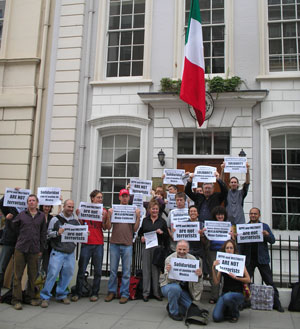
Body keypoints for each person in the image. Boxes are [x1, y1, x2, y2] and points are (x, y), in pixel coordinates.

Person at [239, 207, 284, 312]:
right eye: (251, 214)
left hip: (262, 258)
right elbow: (240, 244)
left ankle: (277, 303)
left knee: (269, 281)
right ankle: (245, 302)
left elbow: (272, 240)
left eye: (255, 214)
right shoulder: (245, 227)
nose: (253, 215)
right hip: (249, 259)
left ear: (259, 215)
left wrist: (267, 235)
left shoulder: (264, 226)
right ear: (249, 215)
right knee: (246, 282)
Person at [40, 199, 80, 308]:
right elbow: (48, 234)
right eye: (69, 207)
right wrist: (58, 233)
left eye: (72, 207)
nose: (71, 209)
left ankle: (61, 294)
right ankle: (45, 296)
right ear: (64, 206)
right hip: (57, 251)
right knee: (52, 274)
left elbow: (79, 234)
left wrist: (85, 233)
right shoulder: (55, 219)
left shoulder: (75, 221)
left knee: (67, 274)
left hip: (70, 252)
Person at [10, 194, 47, 310]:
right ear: (27, 203)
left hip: (34, 249)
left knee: (32, 275)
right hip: (21, 248)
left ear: (37, 202)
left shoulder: (41, 216)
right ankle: (16, 299)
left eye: (33, 200)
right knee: (17, 275)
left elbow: (43, 233)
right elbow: (14, 228)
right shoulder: (21, 215)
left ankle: (30, 297)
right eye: (29, 201)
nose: (31, 202)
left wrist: (41, 249)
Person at [105, 189, 140, 304]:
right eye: (123, 196)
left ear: (129, 198)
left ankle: (125, 293)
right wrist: (109, 216)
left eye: (126, 196)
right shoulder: (114, 210)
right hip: (115, 243)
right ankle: (111, 291)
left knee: (126, 271)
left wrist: (138, 217)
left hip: (127, 244)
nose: (125, 198)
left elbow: (135, 229)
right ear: (119, 198)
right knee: (113, 270)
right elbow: (108, 227)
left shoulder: (132, 210)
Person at [71, 190, 107, 302]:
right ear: (92, 198)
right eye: (98, 197)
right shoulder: (85, 209)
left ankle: (95, 293)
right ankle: (78, 292)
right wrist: (79, 216)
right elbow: (81, 225)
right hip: (86, 243)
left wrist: (106, 217)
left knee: (97, 270)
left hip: (98, 243)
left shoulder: (103, 210)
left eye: (101, 197)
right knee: (82, 269)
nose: (100, 199)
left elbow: (106, 227)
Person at [160, 240, 203, 321]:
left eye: (184, 249)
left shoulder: (193, 259)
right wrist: (169, 272)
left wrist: (200, 275)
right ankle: (174, 313)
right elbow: (168, 280)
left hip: (184, 290)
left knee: (191, 308)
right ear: (176, 249)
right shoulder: (169, 259)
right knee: (175, 289)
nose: (182, 252)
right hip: (169, 285)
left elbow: (197, 282)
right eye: (179, 249)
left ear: (188, 250)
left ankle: (172, 305)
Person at [212, 239, 250, 323]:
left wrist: (236, 278)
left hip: (238, 293)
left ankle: (235, 313)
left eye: (231, 248)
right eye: (227, 248)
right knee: (216, 317)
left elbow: (248, 279)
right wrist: (213, 267)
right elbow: (216, 282)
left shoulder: (239, 262)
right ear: (224, 250)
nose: (229, 250)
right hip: (225, 292)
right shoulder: (222, 262)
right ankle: (228, 311)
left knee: (227, 297)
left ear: (234, 249)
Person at [200, 206, 232, 304]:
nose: (220, 216)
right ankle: (214, 295)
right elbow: (204, 242)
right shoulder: (209, 225)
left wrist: (233, 235)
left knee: (226, 273)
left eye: (222, 214)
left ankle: (224, 294)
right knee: (214, 272)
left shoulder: (229, 226)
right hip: (212, 251)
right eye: (218, 214)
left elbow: (233, 242)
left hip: (225, 252)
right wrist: (202, 234)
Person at [139, 199, 169, 302]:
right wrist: (142, 237)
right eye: (153, 209)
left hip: (157, 248)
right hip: (147, 247)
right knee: (146, 270)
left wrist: (162, 233)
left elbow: (167, 237)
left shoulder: (162, 221)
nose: (155, 211)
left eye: (156, 209)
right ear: (149, 210)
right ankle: (146, 293)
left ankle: (156, 292)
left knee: (156, 271)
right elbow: (140, 233)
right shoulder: (145, 220)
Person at [0, 195, 19, 297]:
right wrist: (8, 194)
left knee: (16, 270)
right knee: (1, 267)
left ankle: (12, 294)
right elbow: (1, 203)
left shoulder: (25, 211)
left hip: (20, 242)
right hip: (8, 241)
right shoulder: (10, 208)